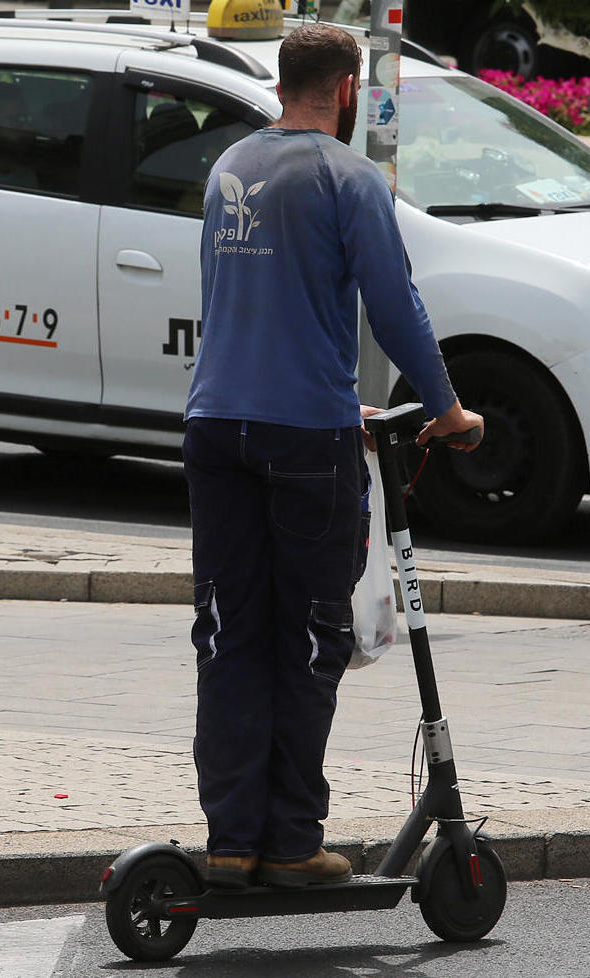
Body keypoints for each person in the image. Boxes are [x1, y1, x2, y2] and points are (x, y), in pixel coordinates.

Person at [186, 23, 484, 890]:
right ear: (348, 88)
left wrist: (318, 382)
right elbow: (397, 309)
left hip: (217, 424)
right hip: (302, 439)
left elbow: (242, 301)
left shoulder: (230, 166)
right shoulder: (348, 176)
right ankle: (290, 843)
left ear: (284, 82)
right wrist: (448, 408)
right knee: (312, 638)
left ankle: (230, 841)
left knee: (228, 631)